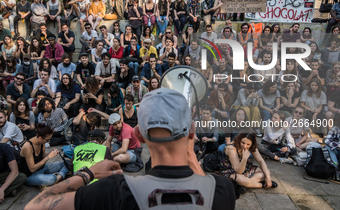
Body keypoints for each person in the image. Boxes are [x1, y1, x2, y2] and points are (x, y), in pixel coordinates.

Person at [25, 88, 236, 210]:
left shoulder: (115, 190)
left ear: (139, 135)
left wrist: (87, 174)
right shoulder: (222, 190)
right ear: (192, 131)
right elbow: (203, 186)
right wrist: (189, 153)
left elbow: (35, 206)